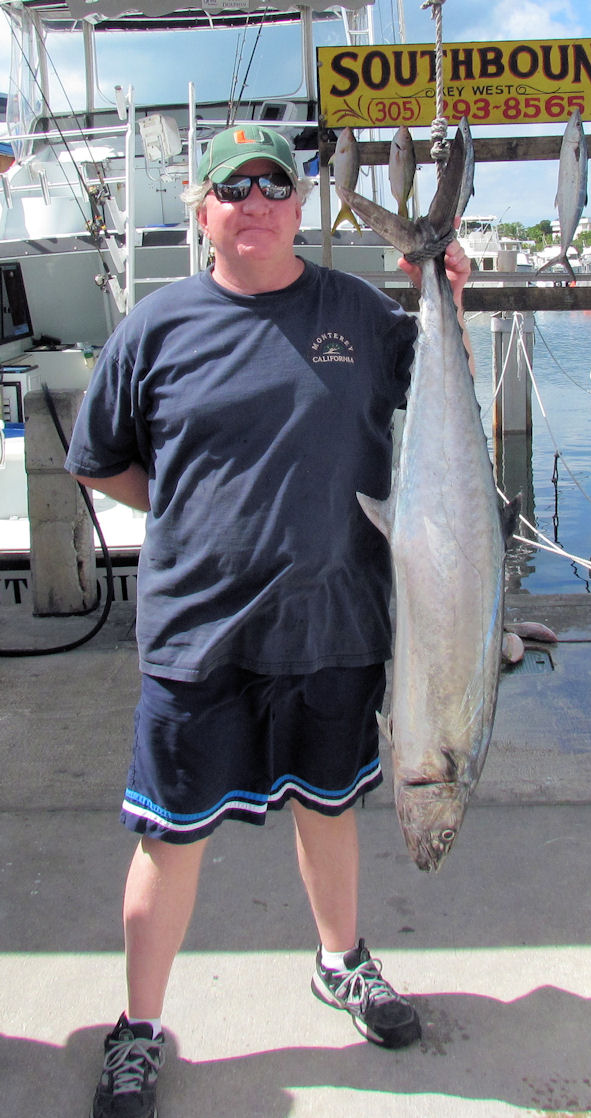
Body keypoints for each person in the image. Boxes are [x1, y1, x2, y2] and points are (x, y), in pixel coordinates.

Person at [65, 123, 471, 1118]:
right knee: (169, 837)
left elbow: (437, 393)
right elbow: (98, 457)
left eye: (273, 186)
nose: (254, 201)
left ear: (298, 206)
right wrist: (190, 509)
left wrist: (449, 286)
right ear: (201, 210)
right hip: (198, 633)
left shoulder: (359, 315)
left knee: (329, 804)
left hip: (333, 624)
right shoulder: (154, 329)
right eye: (231, 187)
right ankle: (140, 1024)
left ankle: (341, 959)